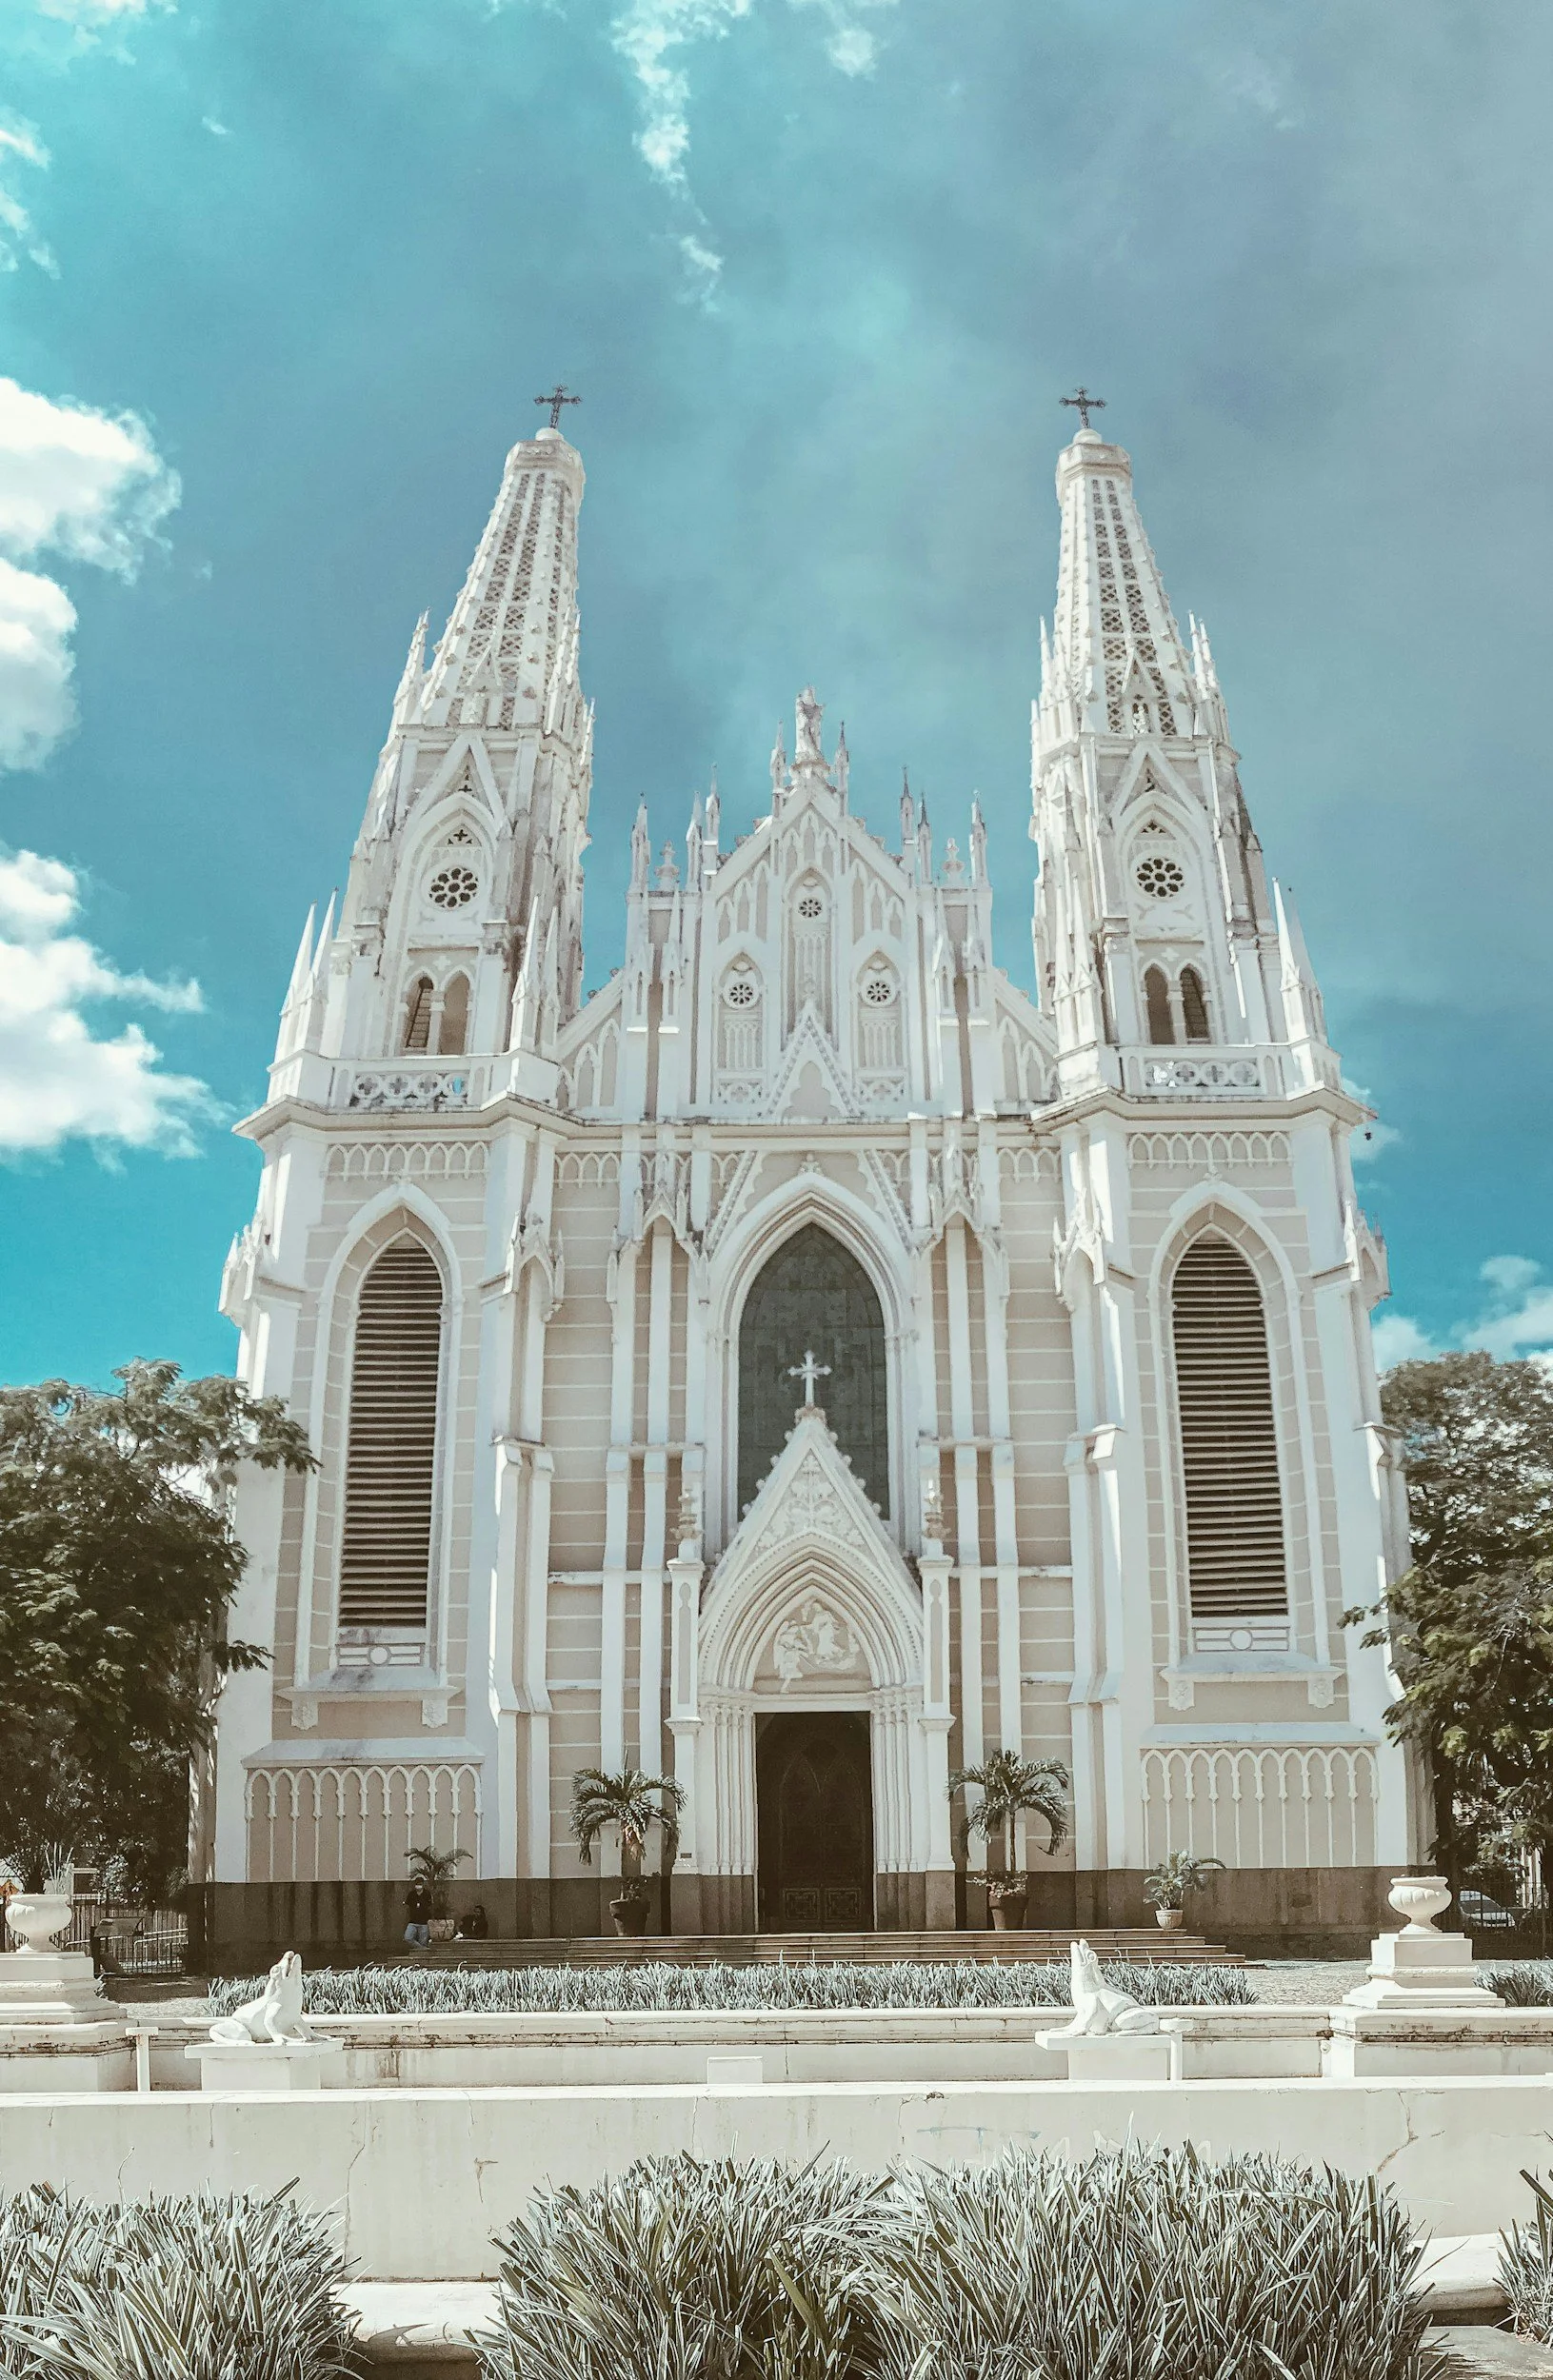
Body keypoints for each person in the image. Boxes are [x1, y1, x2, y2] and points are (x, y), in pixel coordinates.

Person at [403, 1875, 432, 1949]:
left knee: (423, 1942)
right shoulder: (411, 1894)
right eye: (417, 1884)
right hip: (413, 1921)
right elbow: (407, 1905)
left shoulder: (427, 1894)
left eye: (420, 1884)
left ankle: (422, 1953)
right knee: (408, 1937)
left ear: (423, 1884)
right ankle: (423, 1949)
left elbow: (430, 1906)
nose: (418, 1886)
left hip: (424, 1922)